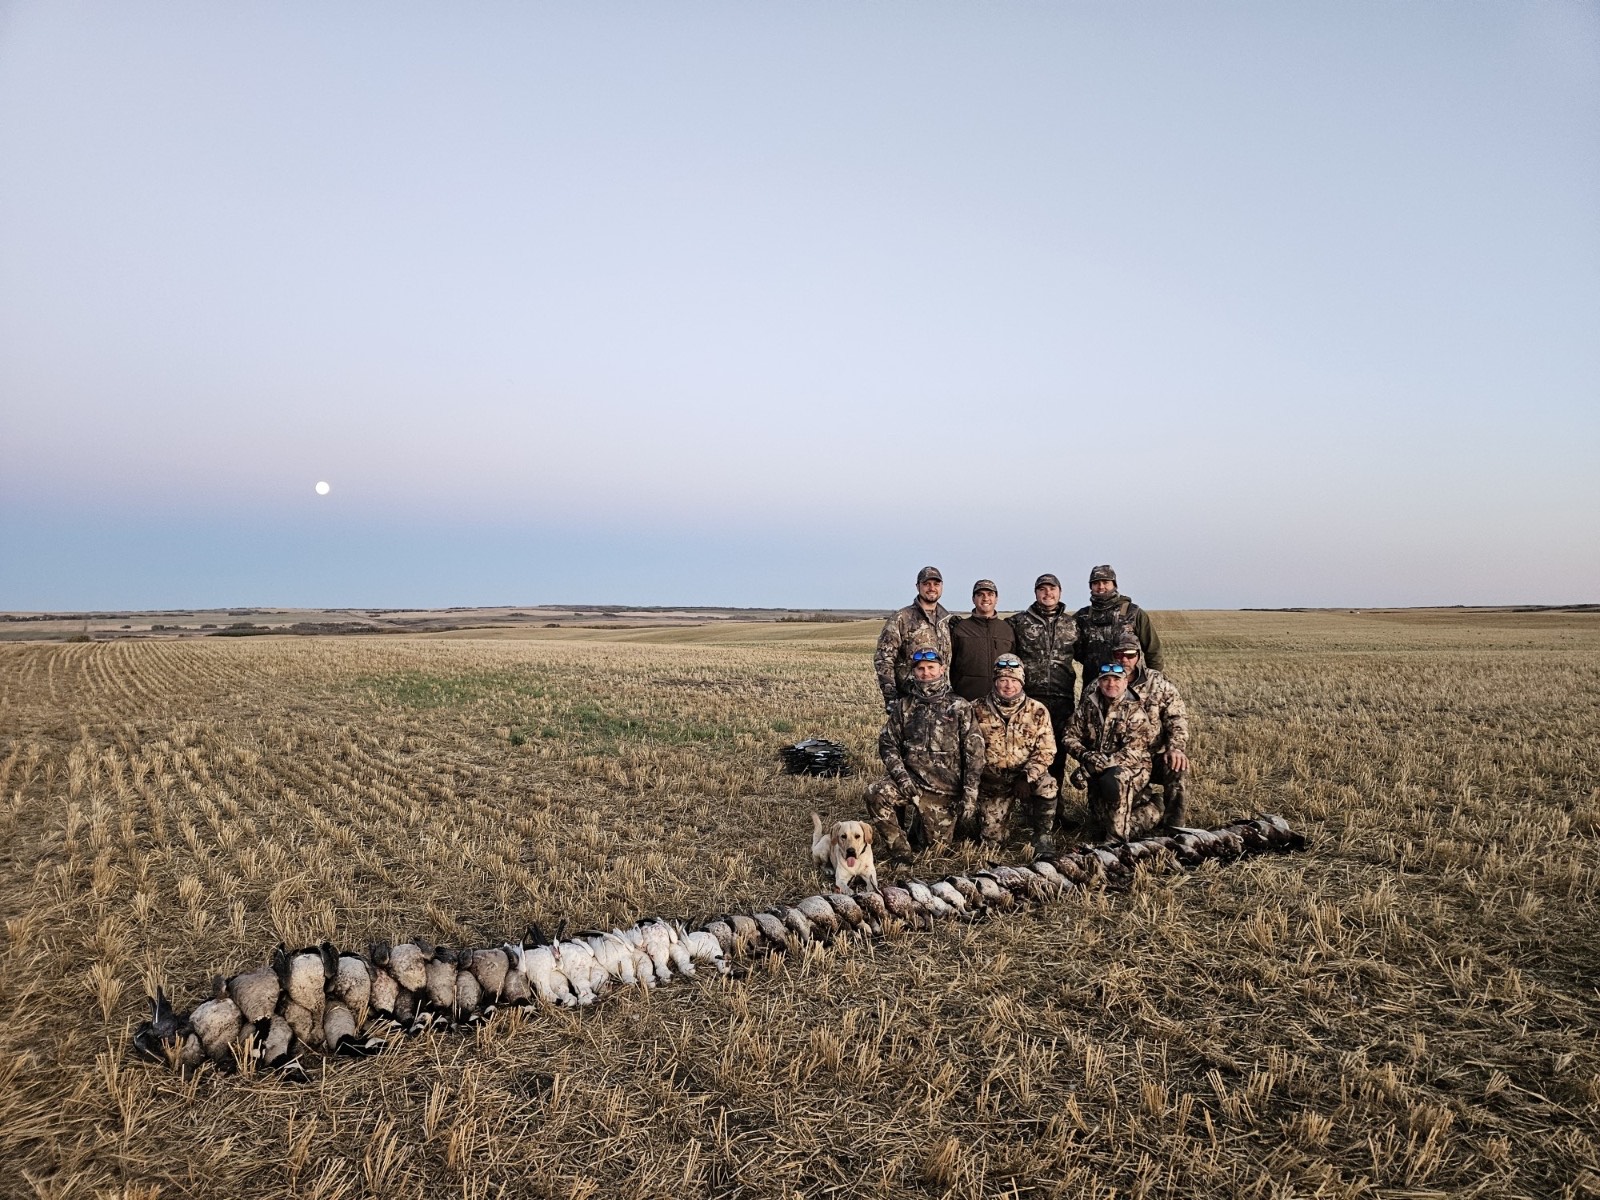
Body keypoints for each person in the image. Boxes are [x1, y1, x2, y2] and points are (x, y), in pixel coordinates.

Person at [864, 648, 984, 865]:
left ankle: (921, 826)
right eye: (920, 669)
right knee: (875, 793)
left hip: (944, 790)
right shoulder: (905, 705)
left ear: (942, 669)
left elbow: (975, 754)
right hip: (911, 782)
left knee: (936, 852)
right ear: (914, 672)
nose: (926, 673)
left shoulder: (960, 706)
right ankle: (901, 854)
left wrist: (970, 794)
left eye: (931, 668)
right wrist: (901, 777)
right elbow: (887, 743)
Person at [1060, 661, 1162, 842]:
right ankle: (1153, 808)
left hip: (1131, 768)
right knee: (1101, 821)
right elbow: (1068, 736)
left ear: (1125, 683)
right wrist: (1085, 754)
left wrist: (1090, 768)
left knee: (1114, 779)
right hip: (1099, 768)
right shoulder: (1088, 706)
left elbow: (1132, 753)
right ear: (1099, 682)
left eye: (1116, 679)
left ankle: (1115, 841)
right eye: (1106, 679)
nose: (1111, 684)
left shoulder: (1135, 711)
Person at [970, 654, 1059, 856]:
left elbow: (1046, 750)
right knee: (991, 844)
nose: (1008, 685)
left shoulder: (1038, 710)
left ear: (1022, 682)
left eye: (1014, 680)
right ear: (995, 682)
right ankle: (989, 819)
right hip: (992, 780)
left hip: (1025, 776)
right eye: (1003, 680)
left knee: (1048, 785)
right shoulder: (975, 709)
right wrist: (983, 774)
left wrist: (1027, 776)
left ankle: (1043, 835)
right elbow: (967, 749)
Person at [1111, 631, 1191, 826]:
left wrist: (1175, 747)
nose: (1124, 660)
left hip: (1152, 757)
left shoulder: (1158, 683)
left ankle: (1174, 827)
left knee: (1177, 766)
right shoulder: (1103, 683)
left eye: (1130, 655)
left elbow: (1177, 717)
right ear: (1112, 656)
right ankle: (1154, 805)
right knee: (1106, 822)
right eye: (1119, 654)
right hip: (1117, 762)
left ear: (1138, 656)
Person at [1007, 573, 1077, 784]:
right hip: (1030, 700)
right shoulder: (1019, 622)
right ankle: (1029, 807)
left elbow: (1087, 653)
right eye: (1042, 589)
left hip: (1062, 699)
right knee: (1027, 753)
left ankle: (1056, 811)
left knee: (1057, 756)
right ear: (1036, 593)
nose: (1048, 593)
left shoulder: (1072, 624)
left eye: (1052, 589)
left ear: (1060, 591)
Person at [874, 566, 953, 709]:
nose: (931, 588)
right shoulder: (901, 618)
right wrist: (891, 699)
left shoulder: (948, 621)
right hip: (910, 700)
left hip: (941, 700)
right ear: (918, 587)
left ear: (942, 587)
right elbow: (883, 659)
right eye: (926, 584)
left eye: (936, 584)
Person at [1073, 564, 1163, 686]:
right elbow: (1072, 648)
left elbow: (1153, 650)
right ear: (1091, 587)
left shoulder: (1134, 613)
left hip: (1130, 685)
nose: (1101, 587)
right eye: (1096, 583)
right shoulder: (1082, 616)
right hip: (1094, 685)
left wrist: (1155, 682)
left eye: (1105, 582)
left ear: (1114, 584)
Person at [948, 579, 1015, 701]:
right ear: (973, 599)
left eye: (990, 594)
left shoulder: (1006, 629)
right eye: (980, 595)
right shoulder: (960, 628)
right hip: (967, 700)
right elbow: (950, 663)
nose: (985, 598)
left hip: (1000, 701)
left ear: (996, 599)